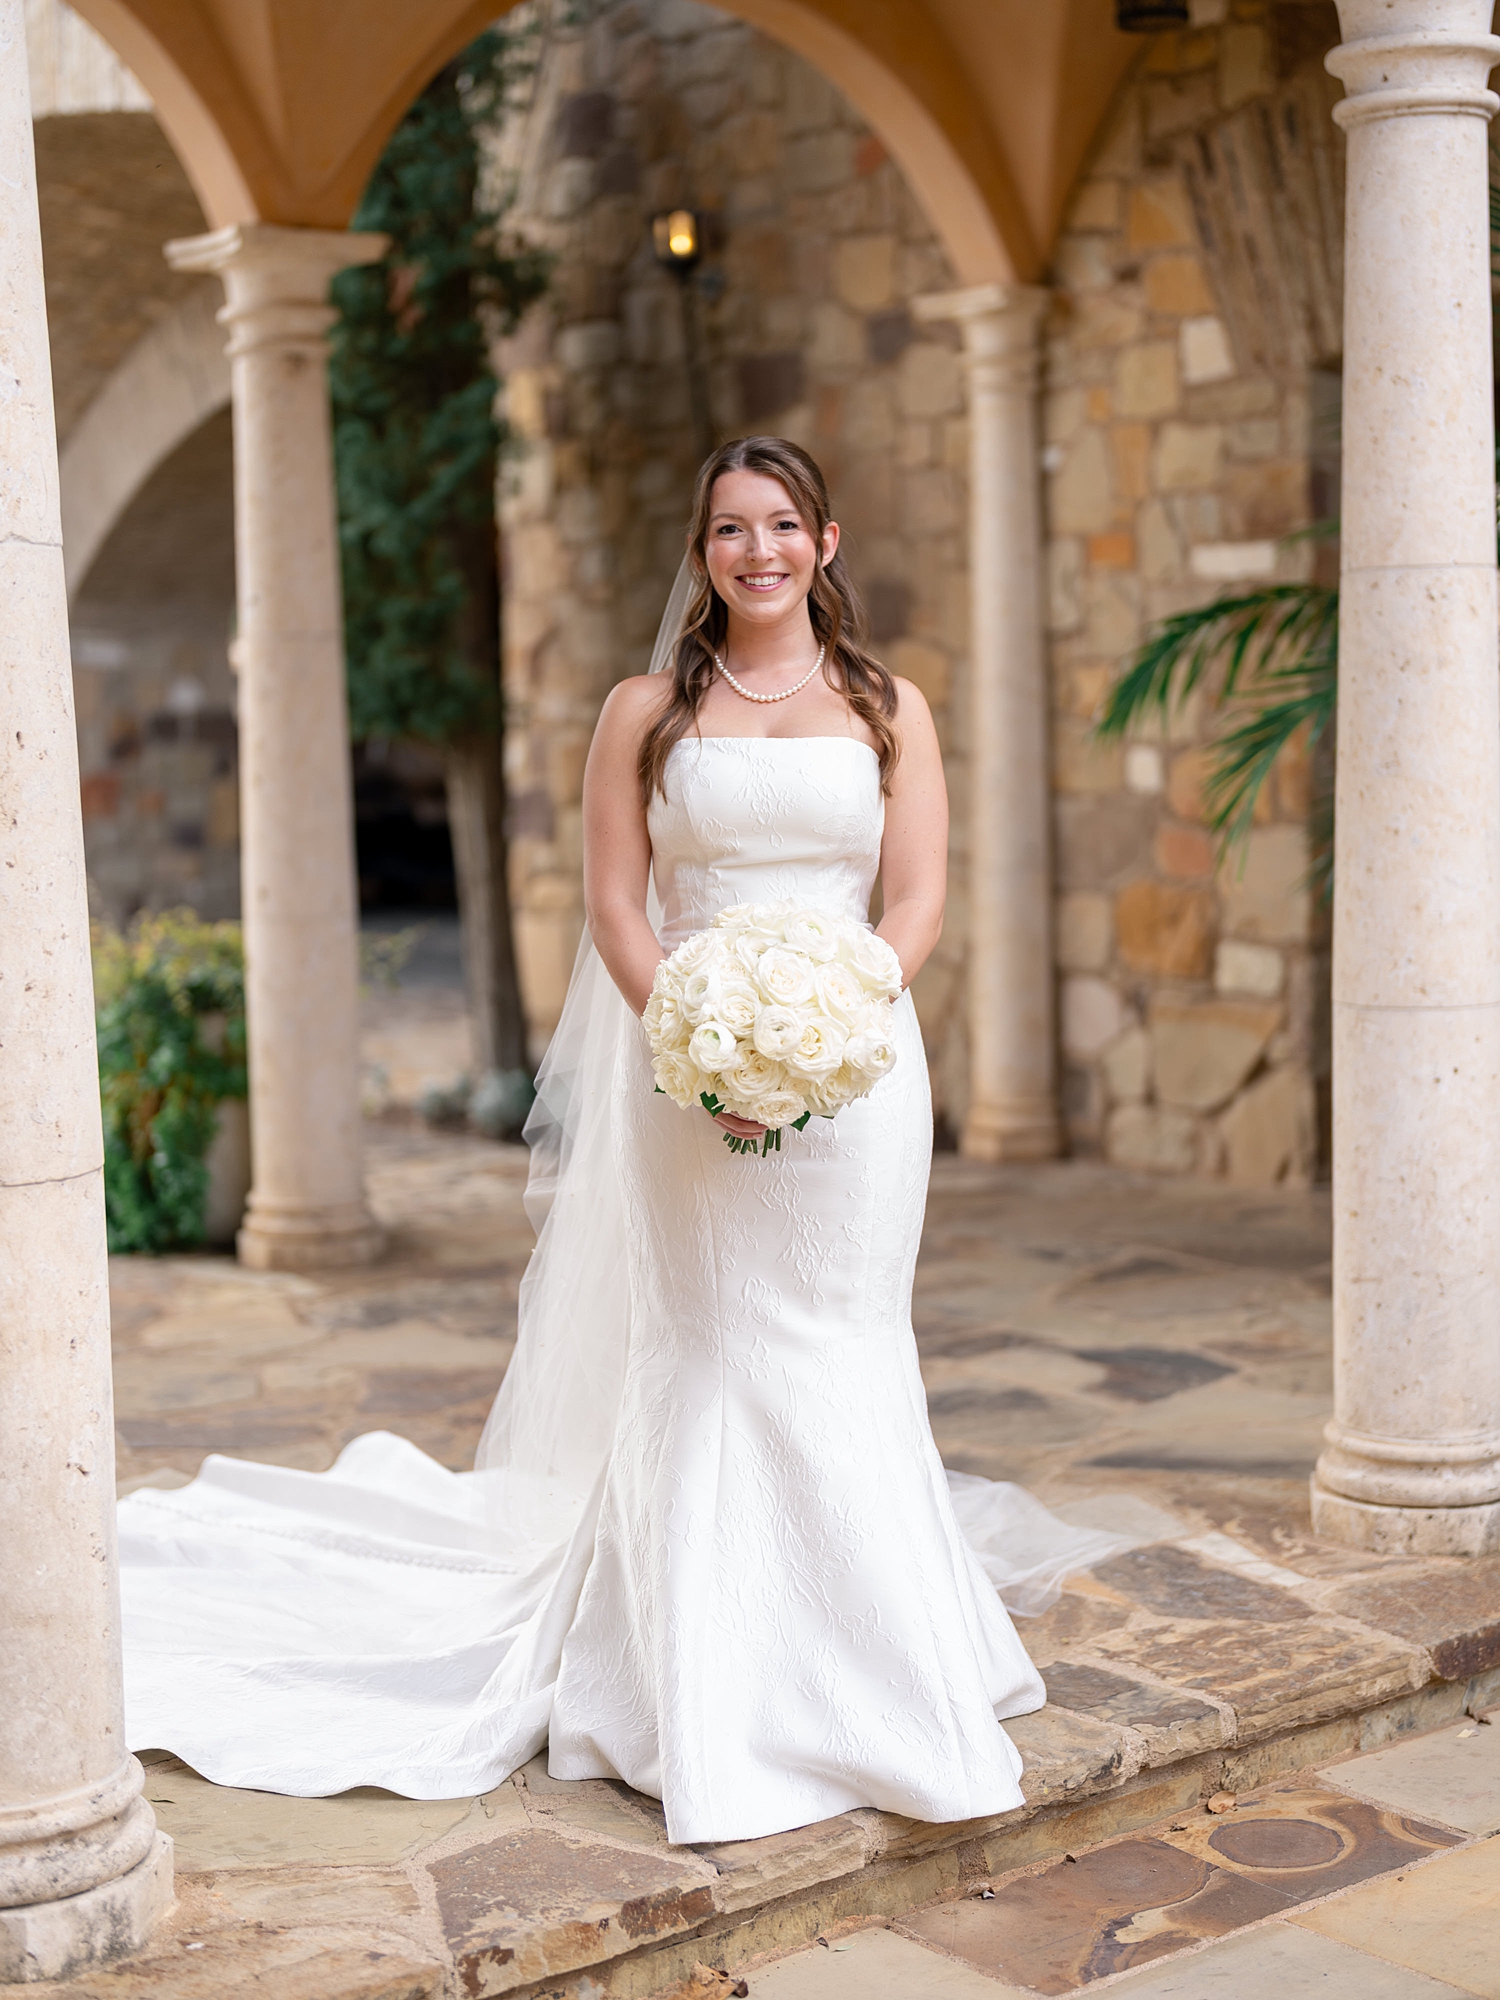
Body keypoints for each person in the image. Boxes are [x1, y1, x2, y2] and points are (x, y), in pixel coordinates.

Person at [118, 437, 1123, 1844]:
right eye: (729, 529)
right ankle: (698, 1689)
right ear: (702, 551)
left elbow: (917, 902)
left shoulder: (894, 708)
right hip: (688, 1072)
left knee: (843, 1343)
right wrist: (707, 1044)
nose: (757, 551)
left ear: (826, 543)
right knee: (713, 1350)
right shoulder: (646, 709)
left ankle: (888, 1669)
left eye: (782, 525)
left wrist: (832, 1022)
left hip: (860, 1078)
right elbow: (617, 910)